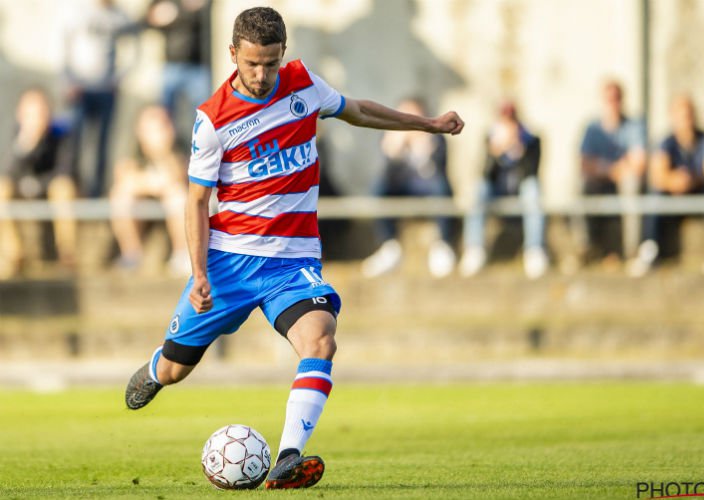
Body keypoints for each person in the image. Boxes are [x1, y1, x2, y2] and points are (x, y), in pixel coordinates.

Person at [124, 6, 464, 490]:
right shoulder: (213, 121)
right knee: (178, 367)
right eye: (251, 65)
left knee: (321, 338)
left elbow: (359, 111)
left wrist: (426, 125)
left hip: (292, 262)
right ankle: (158, 368)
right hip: (230, 264)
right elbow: (196, 200)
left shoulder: (303, 84)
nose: (262, 75)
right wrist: (199, 273)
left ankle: (287, 459)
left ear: (283, 54)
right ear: (232, 55)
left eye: (271, 63)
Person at [360, 97, 456, 279]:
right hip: (400, 187)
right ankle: (389, 246)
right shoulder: (388, 136)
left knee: (441, 188)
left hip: (427, 186)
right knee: (378, 188)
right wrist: (394, 149)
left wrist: (422, 148)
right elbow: (385, 174)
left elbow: (437, 172)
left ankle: (443, 245)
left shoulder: (437, 138)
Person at [459, 101, 547, 279]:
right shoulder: (489, 139)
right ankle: (474, 248)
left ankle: (534, 249)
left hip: (521, 191)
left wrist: (518, 150)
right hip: (497, 190)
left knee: (533, 190)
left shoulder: (532, 141)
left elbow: (532, 173)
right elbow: (484, 174)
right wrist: (496, 152)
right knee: (479, 190)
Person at [628, 95, 704, 277]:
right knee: (654, 196)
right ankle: (649, 248)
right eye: (681, 115)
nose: (686, 120)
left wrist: (691, 180)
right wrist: (675, 181)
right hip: (673, 194)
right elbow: (658, 175)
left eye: (689, 115)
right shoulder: (666, 142)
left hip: (697, 191)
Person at [63, 0, 138, 197]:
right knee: (74, 142)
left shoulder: (120, 17)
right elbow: (63, 44)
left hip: (106, 90)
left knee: (102, 145)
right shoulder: (77, 11)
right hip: (80, 89)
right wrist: (68, 80)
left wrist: (118, 78)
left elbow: (135, 48)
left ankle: (95, 195)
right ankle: (73, 191)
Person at [0, 88, 77, 278]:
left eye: (41, 112)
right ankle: (13, 254)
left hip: (49, 190)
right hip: (20, 190)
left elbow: (64, 171)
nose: (36, 118)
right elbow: (7, 173)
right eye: (30, 113)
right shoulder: (14, 135)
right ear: (20, 114)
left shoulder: (61, 134)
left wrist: (36, 185)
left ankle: (66, 253)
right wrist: (25, 145)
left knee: (63, 188)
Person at [109, 105, 189, 274]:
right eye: (150, 129)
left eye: (161, 127)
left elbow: (179, 176)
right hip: (142, 204)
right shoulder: (130, 147)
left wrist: (163, 153)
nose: (156, 134)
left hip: (172, 202)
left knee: (178, 197)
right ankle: (131, 255)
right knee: (120, 197)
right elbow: (123, 177)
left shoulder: (180, 145)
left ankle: (182, 255)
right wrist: (153, 183)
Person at [578, 80, 647, 265]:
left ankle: (632, 250)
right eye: (609, 99)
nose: (613, 104)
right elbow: (584, 164)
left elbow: (638, 163)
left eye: (616, 99)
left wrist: (608, 168)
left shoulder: (634, 125)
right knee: (580, 186)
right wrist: (612, 169)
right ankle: (587, 247)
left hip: (623, 181)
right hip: (601, 181)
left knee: (631, 184)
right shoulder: (592, 129)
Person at [143, 0, 212, 142]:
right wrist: (158, 14)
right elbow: (146, 19)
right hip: (172, 65)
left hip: (198, 66)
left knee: (203, 121)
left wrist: (179, 11)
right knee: (164, 119)